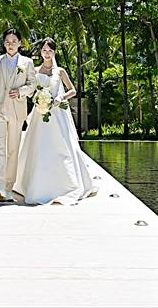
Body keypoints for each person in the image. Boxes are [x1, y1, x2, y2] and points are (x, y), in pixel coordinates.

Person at [13, 38, 97, 205]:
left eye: (50, 50)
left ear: (54, 52)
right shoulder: (35, 71)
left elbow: (73, 90)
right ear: (41, 52)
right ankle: (34, 185)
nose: (47, 53)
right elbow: (30, 91)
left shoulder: (60, 71)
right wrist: (35, 97)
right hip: (40, 113)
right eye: (44, 50)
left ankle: (66, 186)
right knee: (38, 147)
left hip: (58, 114)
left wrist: (61, 97)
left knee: (62, 147)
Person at [0, 28, 37, 201]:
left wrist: (21, 91)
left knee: (13, 149)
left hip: (17, 110)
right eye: (7, 41)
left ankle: (8, 186)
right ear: (4, 44)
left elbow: (32, 85)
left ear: (20, 43)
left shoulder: (27, 62)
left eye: (14, 41)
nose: (10, 44)